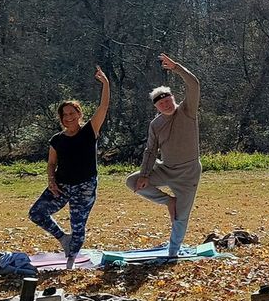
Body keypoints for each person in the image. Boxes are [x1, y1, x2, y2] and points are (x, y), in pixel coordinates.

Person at [29, 67, 111, 268]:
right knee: (36, 213)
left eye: (72, 113)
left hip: (85, 186)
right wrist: (51, 181)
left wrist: (106, 84)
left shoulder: (90, 130)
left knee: (77, 224)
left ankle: (71, 260)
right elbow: (51, 164)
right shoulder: (57, 139)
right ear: (61, 118)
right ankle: (63, 239)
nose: (69, 117)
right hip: (62, 185)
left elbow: (104, 107)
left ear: (79, 114)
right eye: (65, 114)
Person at [126, 54, 202, 259]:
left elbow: (194, 85)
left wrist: (177, 68)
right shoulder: (156, 124)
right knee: (132, 181)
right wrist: (144, 175)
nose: (167, 106)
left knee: (181, 216)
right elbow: (150, 151)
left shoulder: (187, 111)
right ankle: (168, 201)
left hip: (188, 173)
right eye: (162, 104)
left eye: (169, 101)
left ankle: (172, 252)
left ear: (174, 100)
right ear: (156, 107)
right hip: (165, 169)